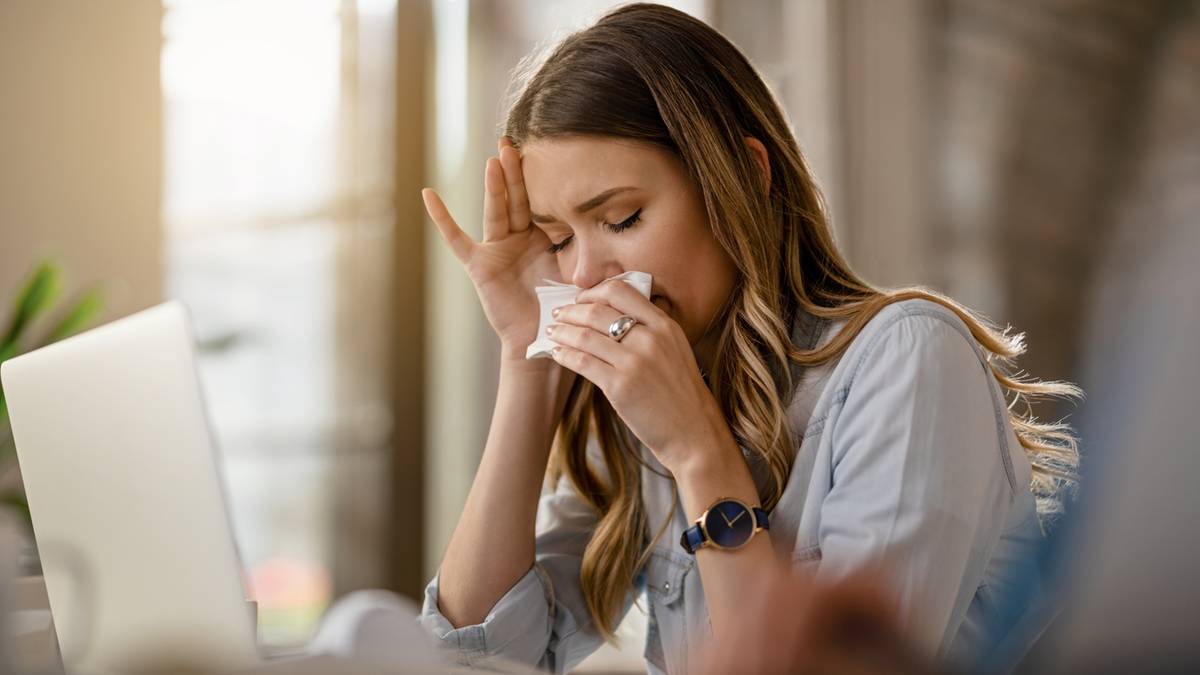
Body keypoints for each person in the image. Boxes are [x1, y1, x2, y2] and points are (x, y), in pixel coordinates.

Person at [415, 4, 1079, 674]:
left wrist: (699, 453)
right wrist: (526, 359)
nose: (584, 274)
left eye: (621, 218)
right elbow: (473, 654)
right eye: (559, 239)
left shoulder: (908, 361)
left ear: (745, 176)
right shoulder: (643, 396)